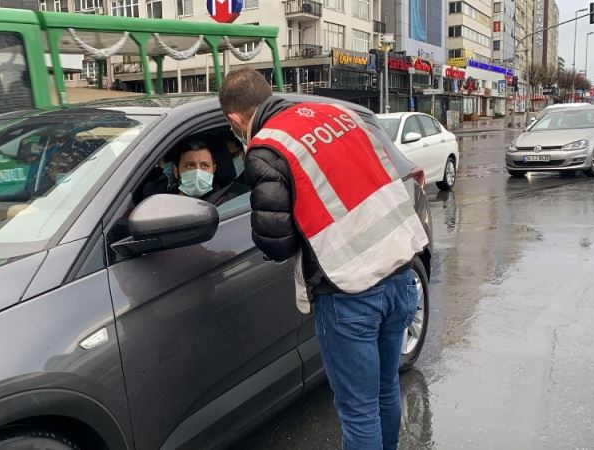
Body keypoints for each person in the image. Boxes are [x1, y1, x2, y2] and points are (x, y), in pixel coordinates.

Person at [218, 68, 428, 450]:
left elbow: (276, 245)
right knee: (385, 390)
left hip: (348, 290)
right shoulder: (337, 115)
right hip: (400, 271)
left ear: (235, 118)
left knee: (359, 410)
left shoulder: (267, 148)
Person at [168, 138, 246, 207]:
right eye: (189, 166)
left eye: (205, 166)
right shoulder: (166, 201)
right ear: (176, 171)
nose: (197, 172)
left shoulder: (229, 202)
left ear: (214, 170)